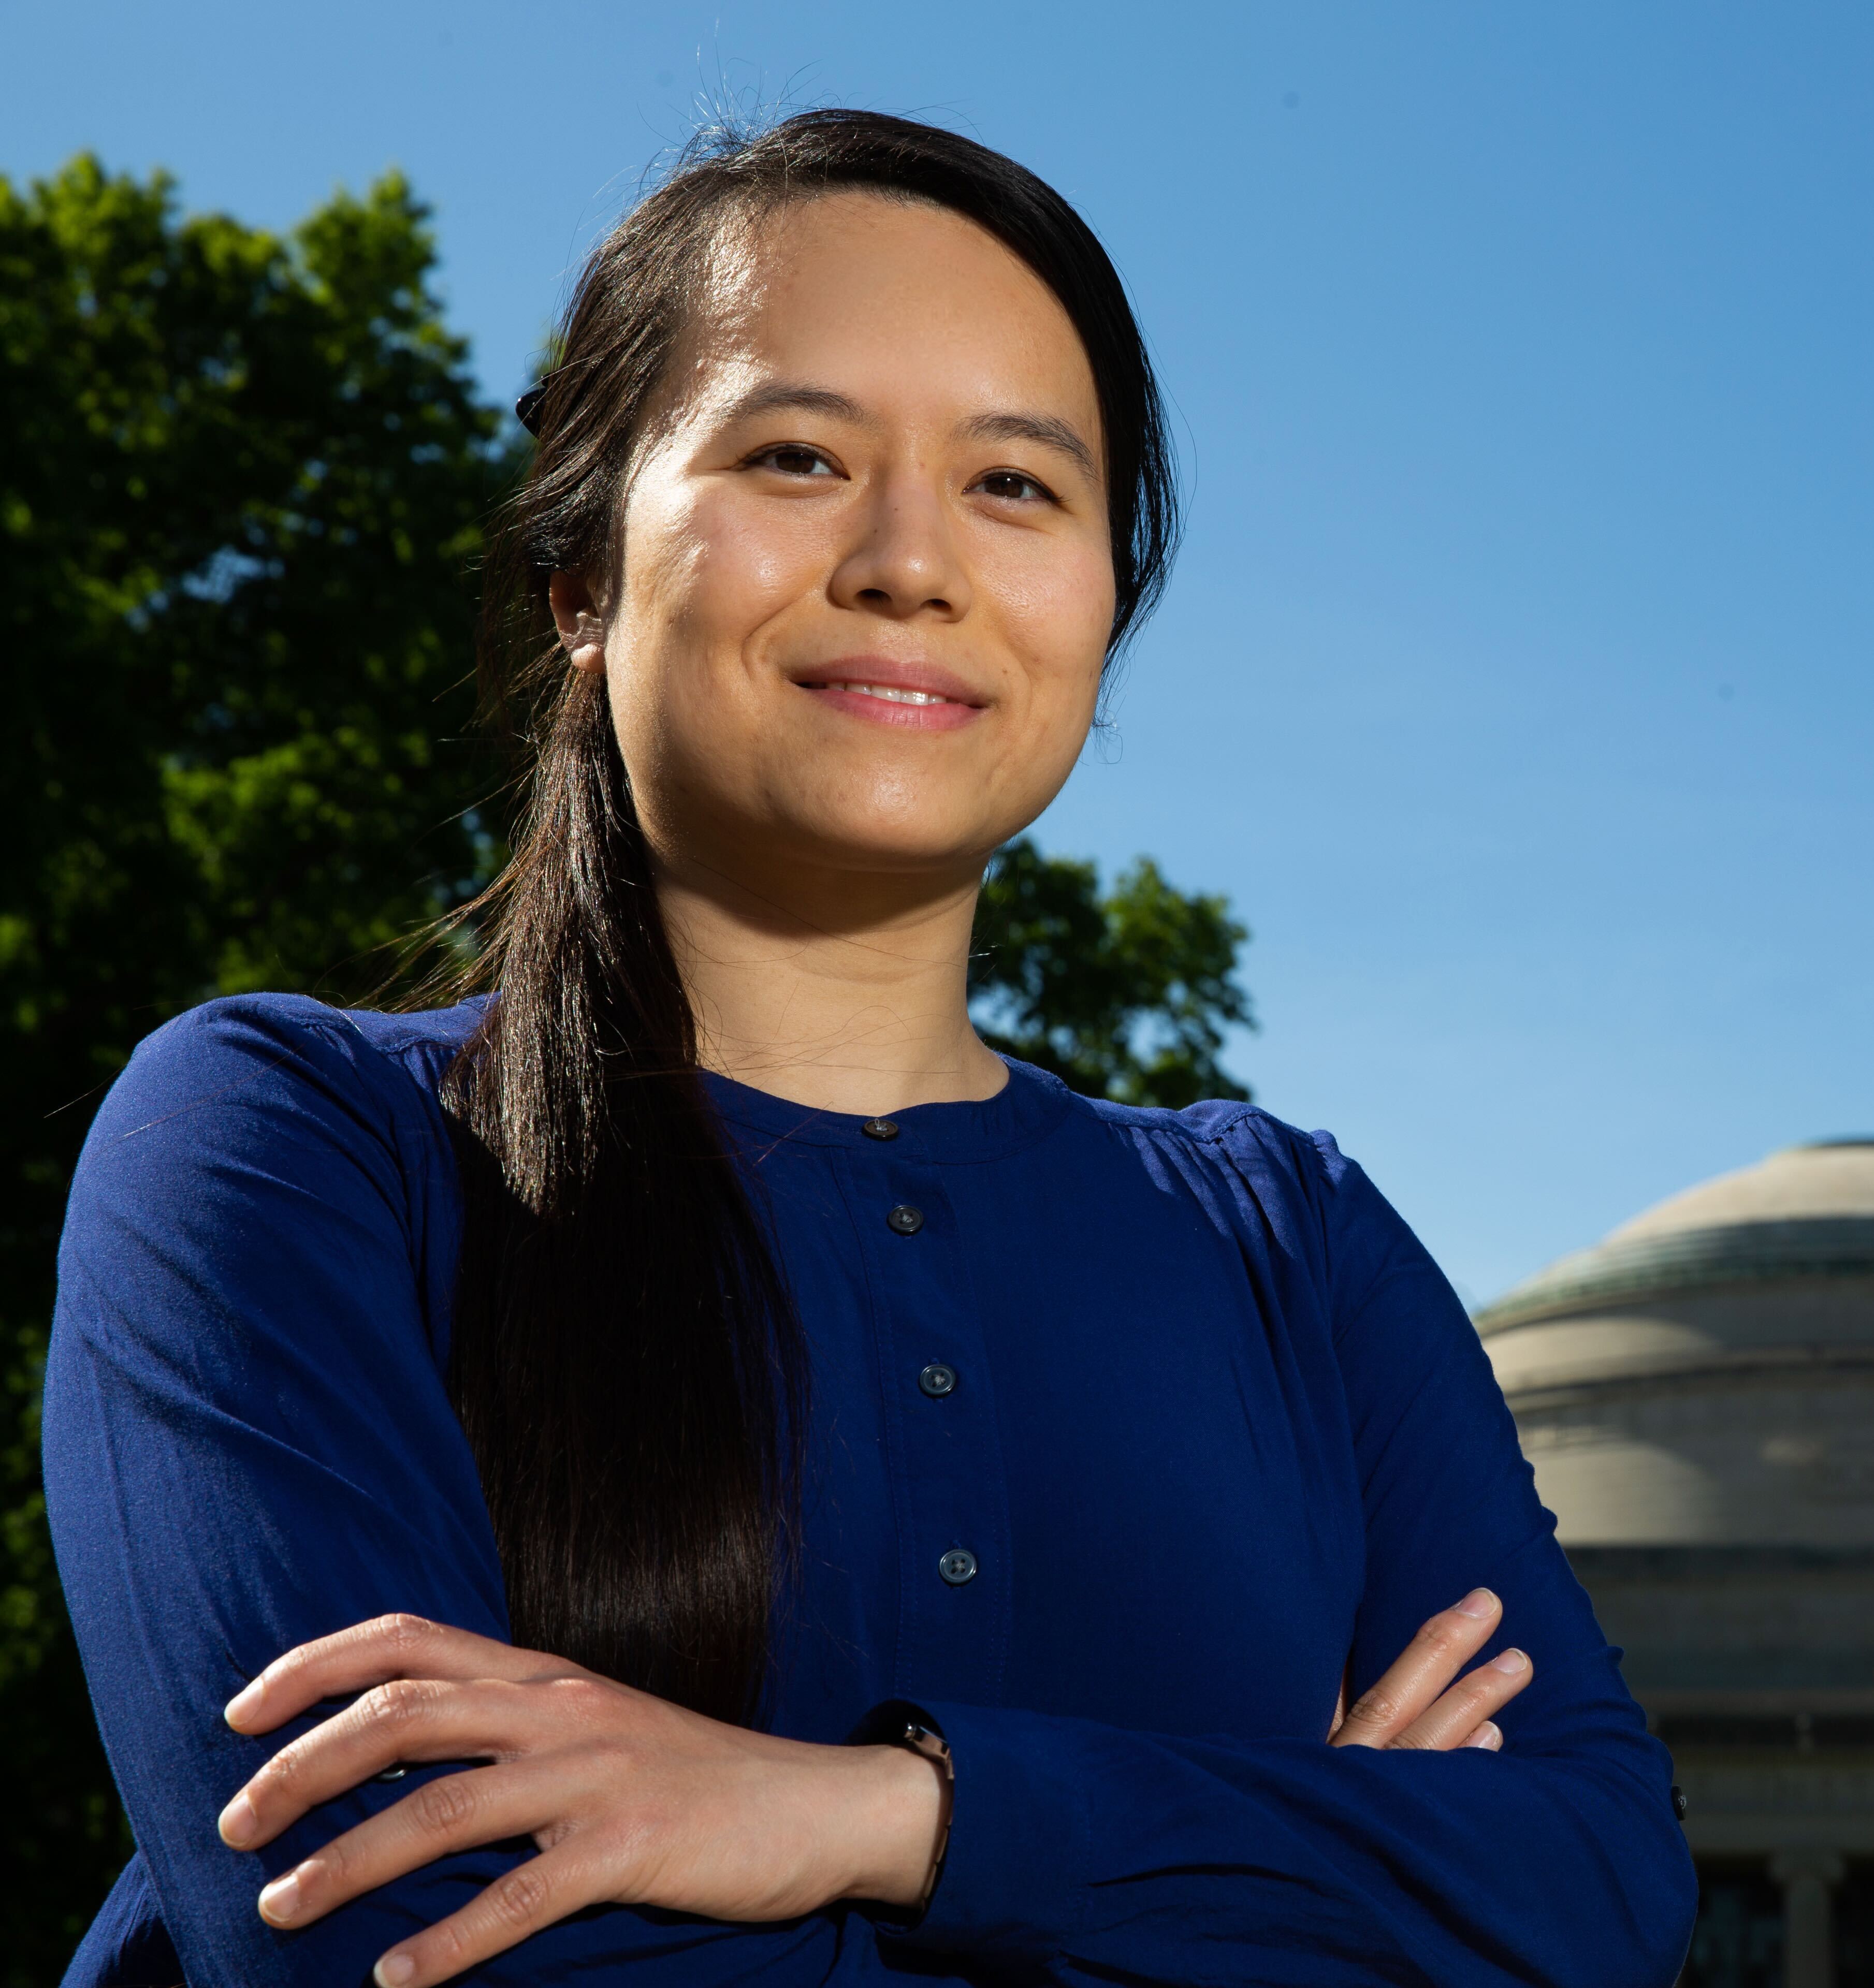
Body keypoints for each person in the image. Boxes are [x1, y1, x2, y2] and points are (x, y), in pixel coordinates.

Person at [45, 110, 1696, 1988]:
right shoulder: (288, 1145)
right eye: (799, 455)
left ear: (1101, 603)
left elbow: (1590, 1887)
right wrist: (1291, 1869)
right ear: (581, 577)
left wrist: (881, 1814)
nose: (912, 562)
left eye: (1016, 486)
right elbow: (396, 1947)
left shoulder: (1293, 1246)